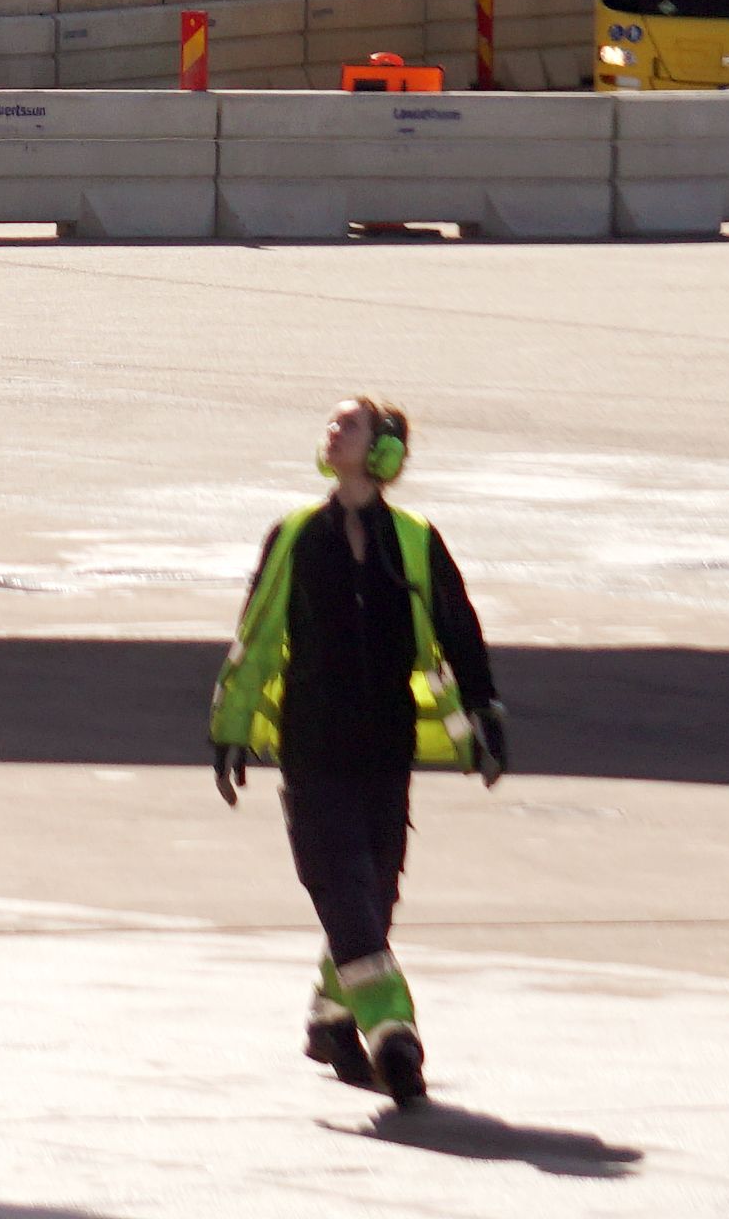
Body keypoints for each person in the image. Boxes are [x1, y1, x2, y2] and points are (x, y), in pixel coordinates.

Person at [209, 393, 506, 1109]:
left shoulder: (414, 538)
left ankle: (332, 1019)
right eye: (333, 423)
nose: (333, 430)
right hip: (312, 744)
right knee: (339, 887)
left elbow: (459, 629)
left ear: (382, 453)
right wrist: (230, 728)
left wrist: (485, 712)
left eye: (351, 424)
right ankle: (393, 1032)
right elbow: (255, 636)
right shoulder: (295, 535)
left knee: (375, 890)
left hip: (385, 744)